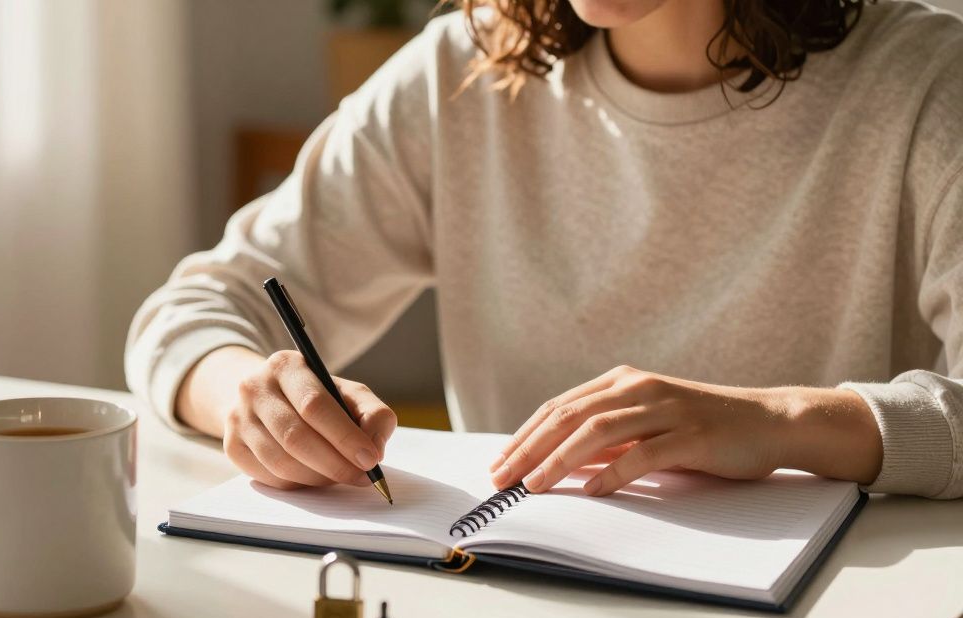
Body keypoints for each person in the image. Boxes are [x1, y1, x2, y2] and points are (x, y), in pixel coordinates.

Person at [127, 0, 963, 501]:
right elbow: (194, 310)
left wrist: (781, 422)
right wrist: (248, 391)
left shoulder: (928, 86)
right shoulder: (463, 73)